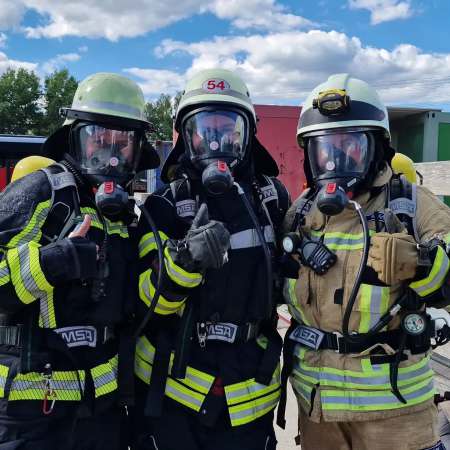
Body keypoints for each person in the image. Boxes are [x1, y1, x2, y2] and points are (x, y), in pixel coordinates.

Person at [280, 73, 450, 450]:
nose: (336, 159)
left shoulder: (412, 205)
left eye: (350, 146)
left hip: (395, 417)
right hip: (318, 413)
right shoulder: (301, 212)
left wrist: (422, 264)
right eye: (324, 149)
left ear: (377, 148)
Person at [132, 68, 290, 450]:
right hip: (173, 394)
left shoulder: (273, 199)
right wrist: (184, 263)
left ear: (248, 135)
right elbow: (146, 302)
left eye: (228, 128)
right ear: (187, 137)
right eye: (204, 129)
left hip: (249, 393)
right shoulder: (164, 205)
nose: (216, 141)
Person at [0, 72, 159, 449]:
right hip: (31, 413)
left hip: (100, 412)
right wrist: (50, 263)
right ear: (75, 138)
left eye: (124, 142)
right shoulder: (40, 192)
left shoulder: (124, 217)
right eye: (98, 138)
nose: (111, 154)